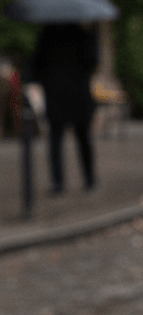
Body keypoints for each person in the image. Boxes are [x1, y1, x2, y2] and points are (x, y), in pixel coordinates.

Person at [29, 23, 99, 194]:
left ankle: (58, 183)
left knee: (56, 141)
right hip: (78, 94)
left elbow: (36, 66)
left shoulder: (48, 35)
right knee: (82, 139)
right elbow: (92, 62)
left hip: (57, 95)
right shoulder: (84, 36)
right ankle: (89, 180)